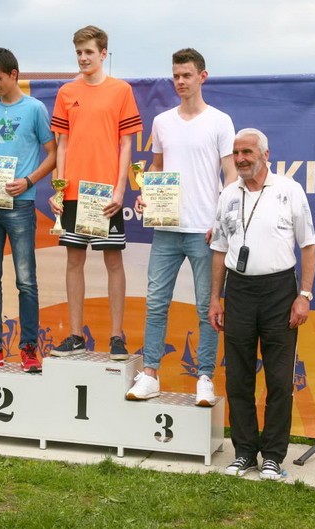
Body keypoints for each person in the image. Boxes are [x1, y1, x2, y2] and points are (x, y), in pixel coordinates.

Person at [126, 48, 236, 406]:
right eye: (175, 75)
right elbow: (157, 167)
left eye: (186, 75)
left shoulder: (220, 121)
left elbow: (231, 176)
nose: (180, 81)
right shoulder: (162, 121)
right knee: (156, 303)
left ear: (202, 77)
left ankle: (204, 378)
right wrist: (146, 192)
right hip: (166, 228)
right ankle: (150, 374)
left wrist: (221, 222)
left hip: (206, 230)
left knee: (207, 307)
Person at [208, 128, 315, 480]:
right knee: (238, 377)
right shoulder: (228, 194)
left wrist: (304, 296)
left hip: (279, 291)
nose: (240, 159)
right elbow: (219, 249)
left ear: (265, 155)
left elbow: (309, 246)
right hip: (238, 291)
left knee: (279, 378)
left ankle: (272, 455)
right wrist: (215, 298)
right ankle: (243, 452)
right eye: (236, 152)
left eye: (248, 152)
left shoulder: (289, 190)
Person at [48, 25, 143, 361]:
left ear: (103, 54)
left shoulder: (121, 90)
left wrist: (120, 189)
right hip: (73, 191)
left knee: (113, 261)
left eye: (89, 52)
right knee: (74, 261)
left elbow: (126, 144)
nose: (83, 58)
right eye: (79, 52)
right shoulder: (66, 92)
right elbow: (62, 143)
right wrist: (59, 187)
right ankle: (76, 335)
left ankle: (116, 336)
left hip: (105, 194)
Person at [0, 47, 58, 373]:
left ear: (13, 74)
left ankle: (29, 348)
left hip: (20, 204)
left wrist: (29, 180)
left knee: (26, 280)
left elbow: (53, 153)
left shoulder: (34, 109)